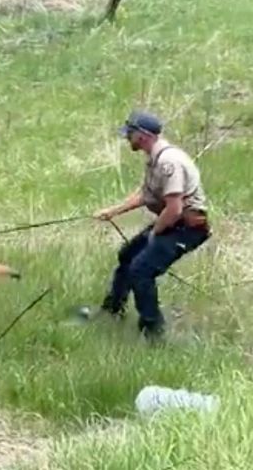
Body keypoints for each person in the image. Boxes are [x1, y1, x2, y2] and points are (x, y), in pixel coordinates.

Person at [93, 109, 211, 340]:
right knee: (127, 256)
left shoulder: (169, 162)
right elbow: (146, 196)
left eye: (131, 134)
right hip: (172, 222)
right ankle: (112, 310)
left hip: (188, 228)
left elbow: (175, 208)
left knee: (141, 270)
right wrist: (114, 211)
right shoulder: (155, 158)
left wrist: (155, 234)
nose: (127, 138)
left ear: (143, 136)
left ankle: (153, 332)